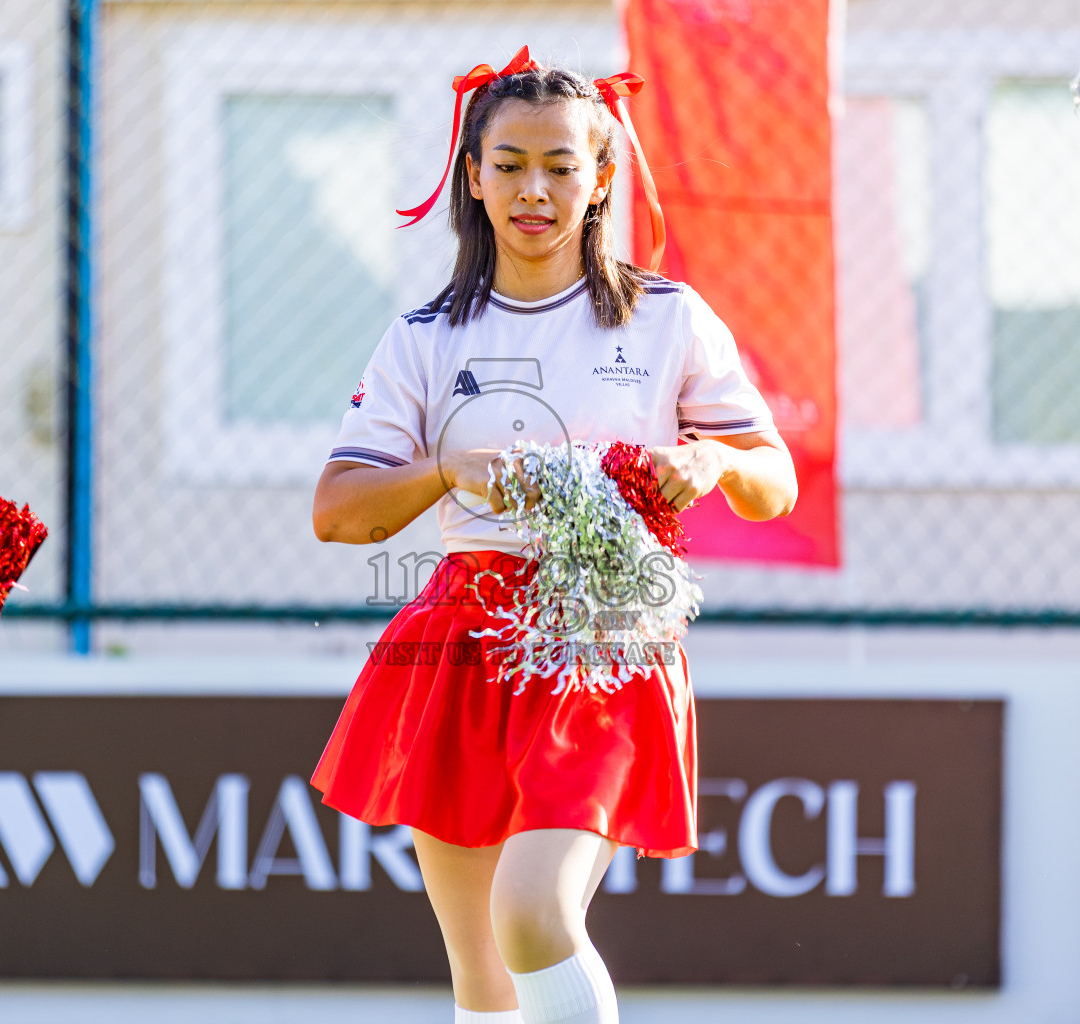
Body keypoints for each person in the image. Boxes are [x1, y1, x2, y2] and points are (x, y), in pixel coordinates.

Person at [309, 51, 797, 1024]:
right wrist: (448, 471)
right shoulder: (424, 335)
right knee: (484, 980)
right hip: (458, 644)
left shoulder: (669, 319)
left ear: (602, 176)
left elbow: (772, 483)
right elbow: (338, 510)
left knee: (532, 910)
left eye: (563, 165)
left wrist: (711, 462)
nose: (536, 188)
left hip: (607, 636)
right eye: (512, 162)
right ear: (474, 175)